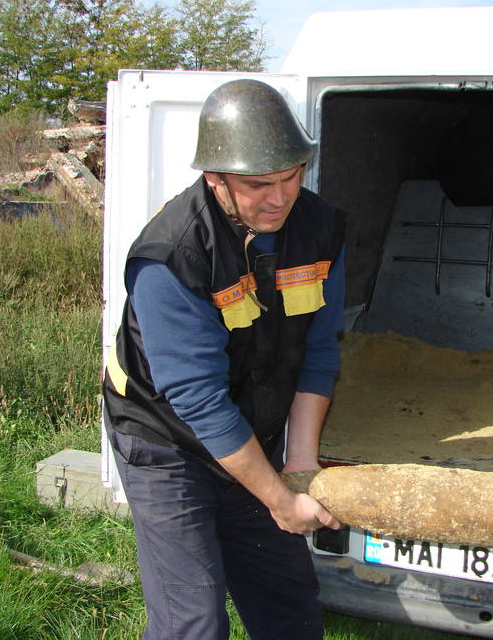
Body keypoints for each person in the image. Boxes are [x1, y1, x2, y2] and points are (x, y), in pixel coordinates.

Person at [102, 78, 346, 639]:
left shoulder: (319, 228)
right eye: (260, 185)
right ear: (215, 178)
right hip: (166, 441)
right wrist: (280, 501)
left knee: (288, 602)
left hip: (248, 435)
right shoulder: (171, 254)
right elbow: (198, 399)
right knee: (194, 620)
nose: (281, 198)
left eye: (292, 176)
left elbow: (319, 349)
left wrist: (300, 466)